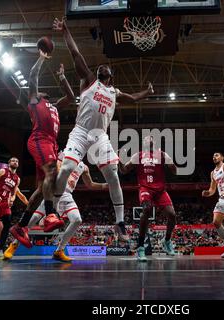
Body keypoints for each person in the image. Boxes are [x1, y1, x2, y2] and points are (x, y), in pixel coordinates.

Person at [50, 17, 154, 243]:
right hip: (80, 132)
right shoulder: (89, 80)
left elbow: (133, 97)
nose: (100, 67)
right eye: (99, 67)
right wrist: (66, 30)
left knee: (113, 175)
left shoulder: (114, 92)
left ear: (110, 74)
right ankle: (53, 211)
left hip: (100, 137)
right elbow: (76, 54)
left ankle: (120, 223)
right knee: (67, 166)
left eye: (104, 67)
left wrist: (147, 92)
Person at [9, 52, 75, 246]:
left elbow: (71, 96)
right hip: (40, 140)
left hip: (51, 143)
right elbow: (32, 76)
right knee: (52, 173)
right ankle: (51, 214)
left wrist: (62, 77)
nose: (43, 91)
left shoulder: (53, 106)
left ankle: (20, 226)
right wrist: (42, 58)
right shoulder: (35, 101)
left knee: (42, 188)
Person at [4, 160, 108, 262]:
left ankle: (59, 250)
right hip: (54, 191)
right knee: (32, 219)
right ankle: (13, 245)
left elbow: (90, 184)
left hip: (67, 194)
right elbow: (54, 170)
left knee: (77, 220)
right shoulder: (65, 157)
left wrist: (105, 185)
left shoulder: (84, 167)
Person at [119, 136, 177, 261]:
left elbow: (175, 171)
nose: (148, 139)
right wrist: (119, 160)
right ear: (143, 143)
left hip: (160, 190)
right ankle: (140, 247)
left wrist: (172, 165)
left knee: (172, 214)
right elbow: (124, 171)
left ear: (154, 141)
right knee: (147, 210)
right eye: (145, 138)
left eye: (151, 138)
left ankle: (167, 240)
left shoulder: (162, 154)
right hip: (145, 189)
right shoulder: (138, 155)